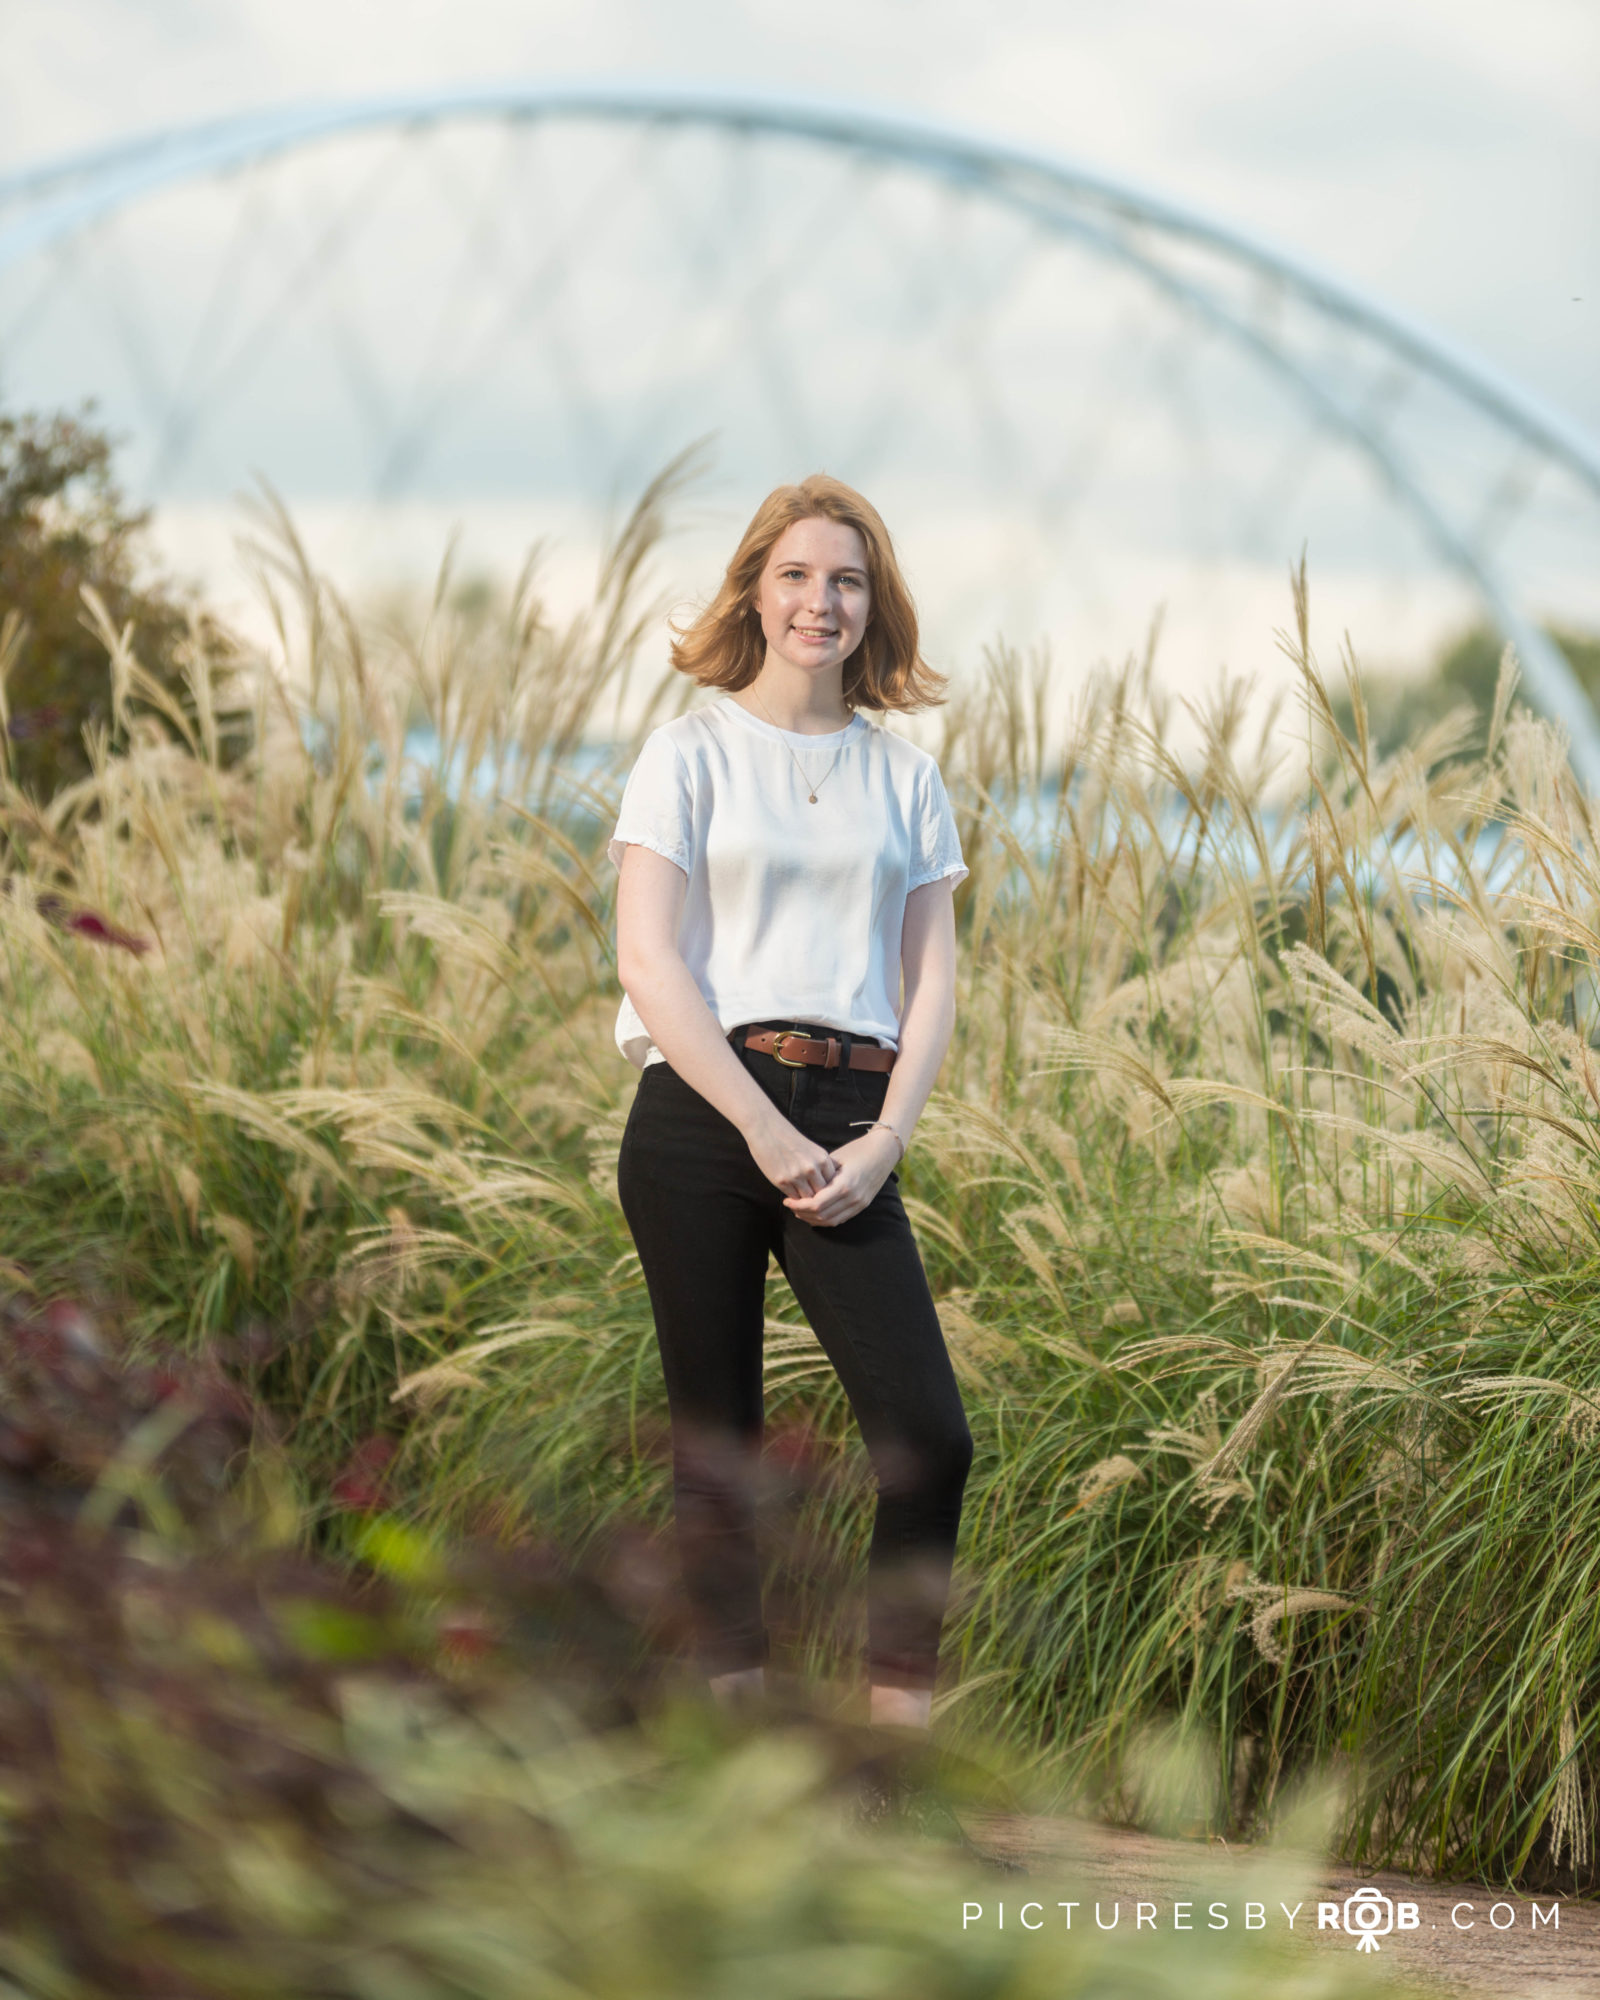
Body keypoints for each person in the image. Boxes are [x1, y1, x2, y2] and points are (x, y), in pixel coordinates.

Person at [609, 474, 973, 1733]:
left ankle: (893, 1761)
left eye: (849, 580)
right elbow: (648, 961)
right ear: (755, 591)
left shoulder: (904, 778)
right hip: (703, 1113)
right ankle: (741, 1750)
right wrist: (760, 1124)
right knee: (720, 1447)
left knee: (928, 1435)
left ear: (876, 608)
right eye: (799, 575)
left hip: (850, 1122)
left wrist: (882, 1139)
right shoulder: (688, 750)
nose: (823, 601)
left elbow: (933, 977)